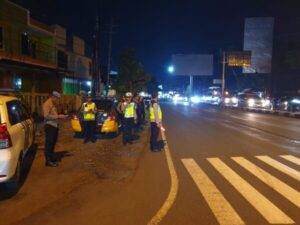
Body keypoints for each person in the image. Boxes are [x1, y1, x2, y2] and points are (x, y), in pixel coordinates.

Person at [43, 91, 68, 167]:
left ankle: (51, 157)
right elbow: (46, 116)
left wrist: (60, 115)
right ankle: (48, 161)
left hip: (54, 126)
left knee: (53, 143)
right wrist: (58, 116)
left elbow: (53, 114)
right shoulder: (47, 104)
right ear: (53, 97)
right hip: (49, 126)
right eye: (57, 99)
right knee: (49, 143)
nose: (58, 100)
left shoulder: (53, 103)